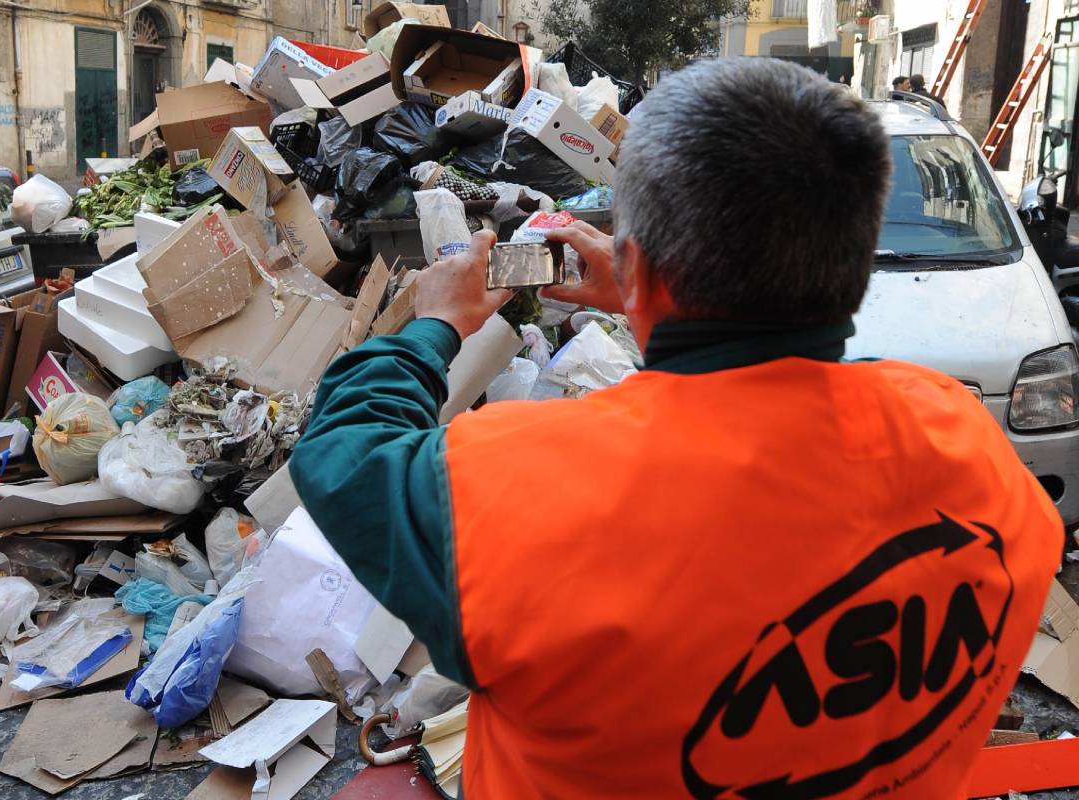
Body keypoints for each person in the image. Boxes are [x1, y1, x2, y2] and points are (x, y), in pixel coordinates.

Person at [288, 57, 1061, 799]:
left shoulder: (516, 495)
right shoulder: (969, 448)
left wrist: (439, 323)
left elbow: (342, 453)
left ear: (643, 268)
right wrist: (650, 303)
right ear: (854, 265)